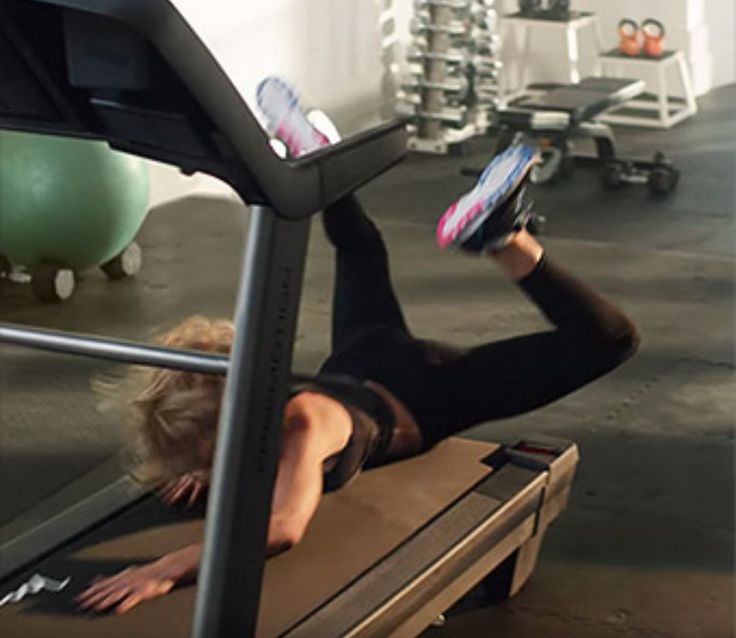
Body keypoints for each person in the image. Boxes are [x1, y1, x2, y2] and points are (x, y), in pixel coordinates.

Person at [76, 79, 640, 615]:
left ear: (240, 428)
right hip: (361, 357)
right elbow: (221, 412)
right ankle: (317, 160)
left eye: (210, 451)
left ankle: (502, 237)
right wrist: (206, 459)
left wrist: (166, 568)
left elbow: (283, 529)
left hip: (425, 392)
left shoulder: (302, 430)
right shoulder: (253, 397)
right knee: (360, 251)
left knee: (609, 341)